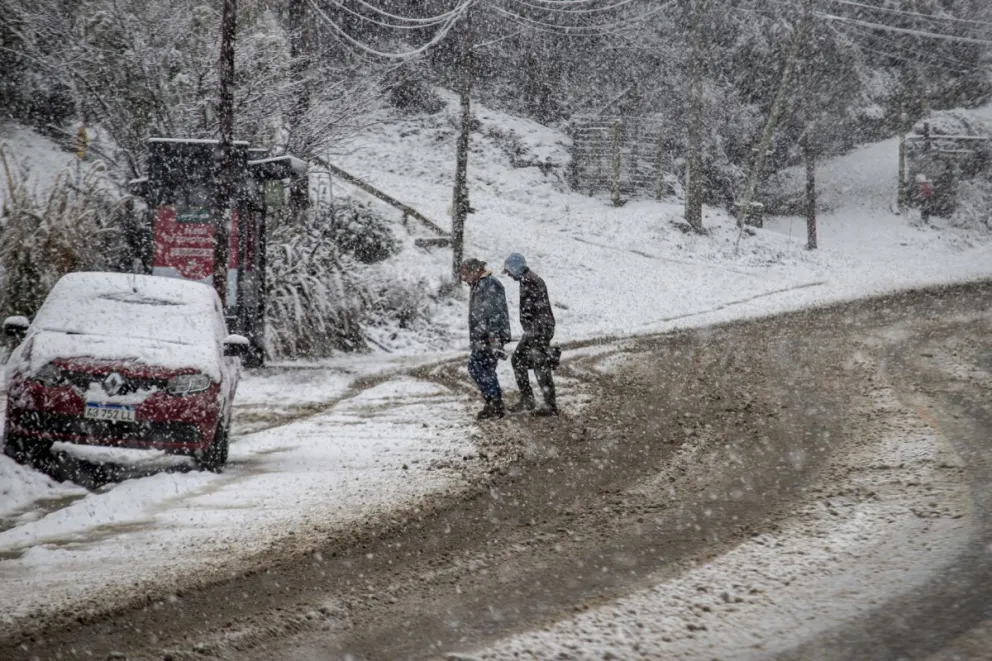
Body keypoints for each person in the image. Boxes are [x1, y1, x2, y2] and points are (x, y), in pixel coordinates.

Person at [503, 253, 558, 416]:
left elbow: (533, 310)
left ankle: (546, 404)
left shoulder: (529, 281)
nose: (508, 275)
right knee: (529, 362)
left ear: (515, 267)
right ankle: (535, 400)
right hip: (538, 329)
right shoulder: (529, 279)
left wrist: (533, 331)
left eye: (508, 271)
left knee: (536, 364)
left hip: (538, 330)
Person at [457, 258, 511, 420]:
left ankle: (494, 402)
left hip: (487, 337)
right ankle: (493, 401)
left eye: (465, 274)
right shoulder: (482, 285)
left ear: (475, 270)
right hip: (484, 336)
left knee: (479, 368)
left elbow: (493, 312)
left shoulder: (488, 285)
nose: (464, 278)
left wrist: (493, 337)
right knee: (482, 368)